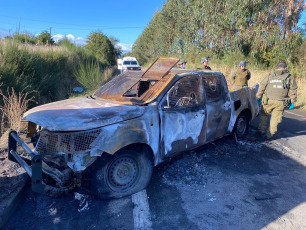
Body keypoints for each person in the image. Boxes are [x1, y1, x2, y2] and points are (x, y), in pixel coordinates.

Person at [256, 61, 298, 140]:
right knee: (275, 120)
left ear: (277, 68)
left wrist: (259, 97)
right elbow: (293, 90)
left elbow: (262, 86)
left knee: (264, 116)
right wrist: (292, 101)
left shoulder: (270, 75)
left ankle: (261, 131)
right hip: (280, 103)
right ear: (285, 68)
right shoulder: (289, 77)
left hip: (268, 101)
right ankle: (269, 135)